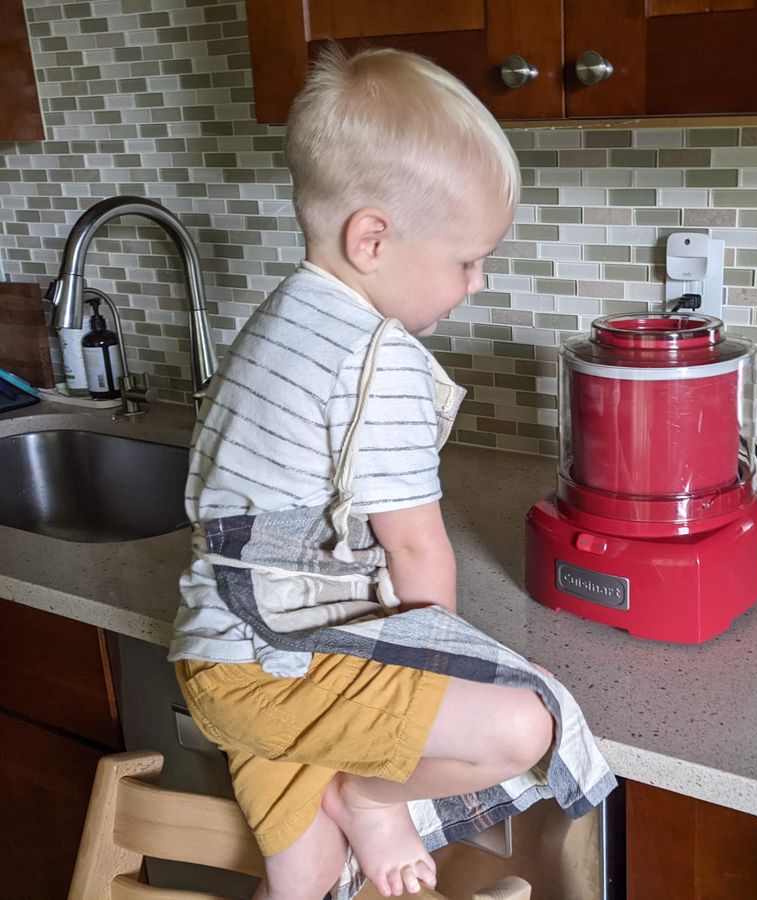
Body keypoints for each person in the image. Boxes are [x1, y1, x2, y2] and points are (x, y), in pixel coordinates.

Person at [169, 47, 557, 899]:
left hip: (218, 660)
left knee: (305, 877)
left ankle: (346, 810)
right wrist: (435, 697)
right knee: (523, 727)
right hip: (282, 665)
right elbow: (417, 550)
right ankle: (373, 798)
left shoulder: (282, 315)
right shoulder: (378, 360)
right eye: (467, 260)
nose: (477, 283)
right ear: (372, 239)